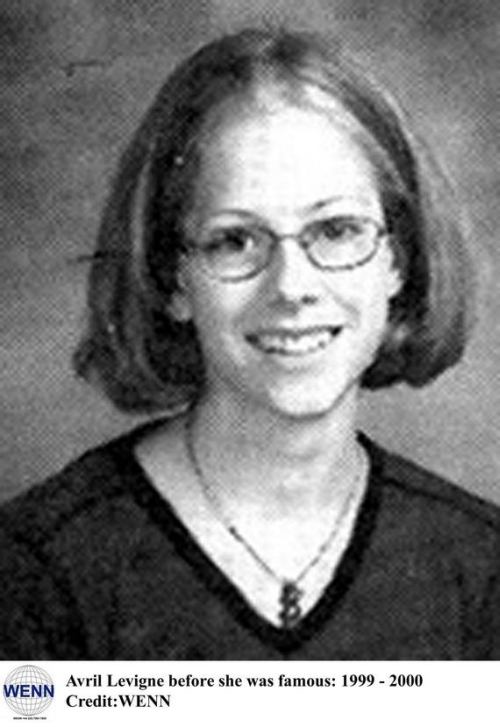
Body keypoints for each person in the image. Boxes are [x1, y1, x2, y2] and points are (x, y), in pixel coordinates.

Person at [1, 26, 499, 661]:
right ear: (171, 279)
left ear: (398, 260)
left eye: (337, 231)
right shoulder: (41, 571)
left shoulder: (479, 568)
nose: (291, 287)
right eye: (234, 241)